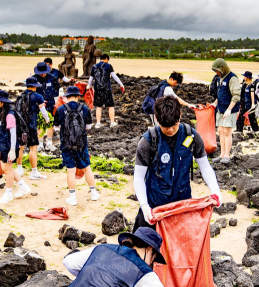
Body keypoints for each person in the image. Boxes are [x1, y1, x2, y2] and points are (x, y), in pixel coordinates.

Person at [53, 227, 181, 287]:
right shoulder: (142, 272)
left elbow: (68, 262)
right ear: (149, 250)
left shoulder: (103, 249)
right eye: (153, 259)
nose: (151, 263)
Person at [133, 96, 222, 233]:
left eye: (173, 125)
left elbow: (205, 166)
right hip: (155, 207)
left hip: (182, 205)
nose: (169, 130)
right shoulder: (148, 141)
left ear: (180, 115)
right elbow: (138, 177)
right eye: (165, 126)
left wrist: (215, 190)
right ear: (156, 119)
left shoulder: (191, 136)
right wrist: (144, 205)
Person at [54, 86, 99, 204]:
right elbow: (88, 127)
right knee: (86, 168)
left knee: (71, 170)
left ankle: (73, 198)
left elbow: (57, 128)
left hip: (66, 144)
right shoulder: (84, 109)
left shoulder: (60, 109)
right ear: (78, 96)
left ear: (67, 97)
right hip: (81, 143)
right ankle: (94, 193)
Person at [0, 90, 31, 205]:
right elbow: (2, 124)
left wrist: (13, 149)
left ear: (3, 102)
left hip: (9, 146)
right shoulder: (1, 112)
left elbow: (13, 133)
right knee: (8, 168)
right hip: (4, 144)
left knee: (6, 169)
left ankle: (8, 193)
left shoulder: (10, 114)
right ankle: (23, 186)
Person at [15, 77, 51, 181]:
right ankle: (34, 172)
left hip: (21, 126)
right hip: (31, 126)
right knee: (33, 148)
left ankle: (19, 169)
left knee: (20, 147)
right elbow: (43, 111)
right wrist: (47, 119)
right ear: (35, 86)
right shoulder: (38, 96)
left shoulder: (20, 96)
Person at [210, 59, 241, 164]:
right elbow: (220, 94)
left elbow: (236, 96)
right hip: (220, 109)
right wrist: (214, 103)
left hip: (230, 110)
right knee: (220, 131)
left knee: (227, 132)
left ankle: (227, 155)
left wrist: (229, 109)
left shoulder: (232, 78)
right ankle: (222, 154)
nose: (216, 73)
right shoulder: (219, 78)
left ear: (222, 68)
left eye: (217, 70)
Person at [89, 54, 124, 129]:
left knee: (99, 107)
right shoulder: (108, 66)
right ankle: (112, 122)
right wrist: (121, 84)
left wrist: (89, 86)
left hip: (98, 89)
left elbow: (91, 78)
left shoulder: (94, 66)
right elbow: (114, 76)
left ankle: (98, 123)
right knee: (110, 106)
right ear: (106, 59)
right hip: (107, 88)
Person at [33, 62, 59, 151]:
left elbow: (57, 91)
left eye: (44, 72)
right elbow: (31, 93)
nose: (43, 74)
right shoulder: (34, 79)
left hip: (50, 104)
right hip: (37, 105)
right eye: (41, 72)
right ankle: (40, 144)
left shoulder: (52, 78)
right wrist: (38, 101)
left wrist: (56, 104)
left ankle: (49, 143)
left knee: (50, 123)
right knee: (39, 123)